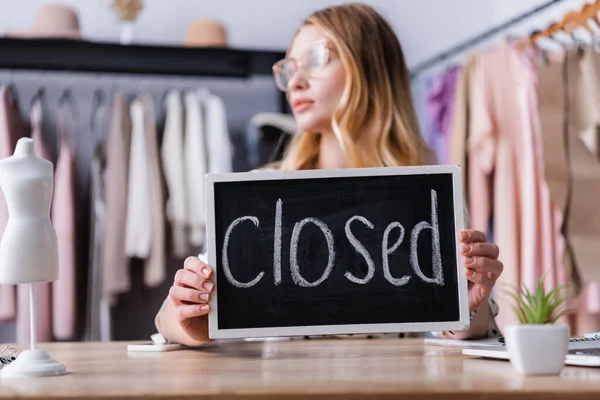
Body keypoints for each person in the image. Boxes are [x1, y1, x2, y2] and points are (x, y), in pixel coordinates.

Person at [155, 3, 504, 346]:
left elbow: (470, 326)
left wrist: (468, 306)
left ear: (370, 67)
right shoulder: (261, 195)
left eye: (317, 58)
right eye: (289, 69)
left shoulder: (428, 199)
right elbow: (167, 320)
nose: (297, 82)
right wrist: (187, 314)